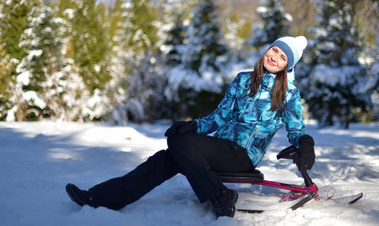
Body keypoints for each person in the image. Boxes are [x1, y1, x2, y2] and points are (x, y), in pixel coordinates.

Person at [65, 35, 316, 218]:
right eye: (274, 50)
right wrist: (193, 126)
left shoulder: (289, 92)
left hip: (242, 155)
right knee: (165, 158)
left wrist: (304, 143)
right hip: (219, 145)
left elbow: (295, 127)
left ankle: (219, 196)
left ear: (287, 66)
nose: (275, 58)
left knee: (177, 147)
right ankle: (98, 198)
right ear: (267, 49)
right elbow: (220, 116)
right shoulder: (243, 79)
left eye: (283, 57)